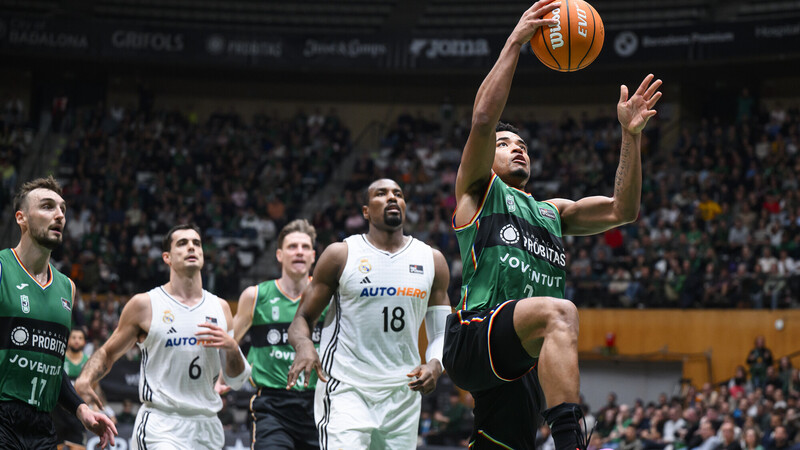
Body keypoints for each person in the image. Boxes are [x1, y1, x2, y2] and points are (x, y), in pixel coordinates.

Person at [442, 1, 663, 448]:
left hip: (520, 356)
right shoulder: (478, 192)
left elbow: (623, 209)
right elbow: (483, 120)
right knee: (560, 310)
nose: (517, 148)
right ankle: (570, 441)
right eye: (505, 144)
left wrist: (631, 136)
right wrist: (515, 43)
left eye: (522, 143)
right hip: (474, 334)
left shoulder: (552, 212)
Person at [287, 178, 451, 449]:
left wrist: (436, 363)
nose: (391, 198)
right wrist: (305, 346)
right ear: (366, 211)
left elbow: (443, 332)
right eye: (381, 193)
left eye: (397, 194)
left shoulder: (431, 259)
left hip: (403, 393)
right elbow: (302, 319)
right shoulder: (341, 255)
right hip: (347, 389)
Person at [75, 224, 251, 450]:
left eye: (196, 244)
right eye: (182, 243)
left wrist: (232, 348)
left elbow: (235, 380)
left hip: (207, 426)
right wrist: (85, 378)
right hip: (161, 423)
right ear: (167, 257)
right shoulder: (145, 305)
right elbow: (108, 352)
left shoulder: (221, 308)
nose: (191, 247)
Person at [0, 176, 117, 449]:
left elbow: (53, 367)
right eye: (47, 206)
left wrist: (81, 409)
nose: (59, 215)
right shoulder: (3, 268)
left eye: (63, 209)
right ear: (22, 218)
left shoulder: (68, 288)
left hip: (42, 424)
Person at [233, 219, 326, 449]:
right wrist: (220, 377)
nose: (299, 252)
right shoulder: (255, 296)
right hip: (273, 406)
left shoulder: (329, 297)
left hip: (320, 404)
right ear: (279, 255)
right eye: (292, 247)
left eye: (305, 247)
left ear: (313, 256)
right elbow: (228, 342)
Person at [53, 327, 92, 445]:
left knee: (77, 446)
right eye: (73, 337)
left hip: (77, 413)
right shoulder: (60, 358)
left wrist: (94, 405)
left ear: (84, 342)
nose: (76, 340)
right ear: (68, 340)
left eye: (80, 338)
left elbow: (94, 387)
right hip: (57, 412)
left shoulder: (89, 361)